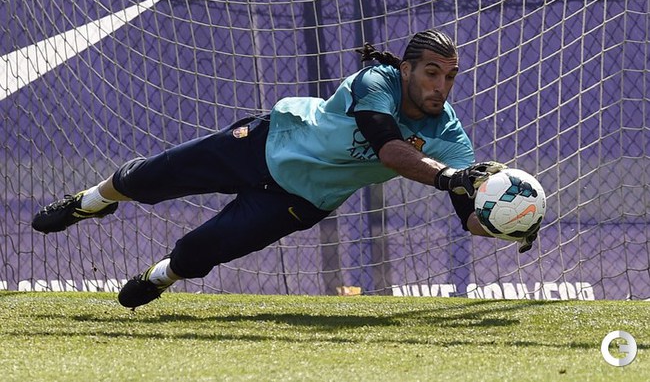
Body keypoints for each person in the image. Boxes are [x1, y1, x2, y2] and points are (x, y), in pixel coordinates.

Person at [31, 28, 537, 309]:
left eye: (450, 77)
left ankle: (159, 276)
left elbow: (467, 214)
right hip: (267, 143)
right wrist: (450, 176)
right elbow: (388, 149)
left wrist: (508, 222)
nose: (441, 86)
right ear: (405, 69)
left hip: (300, 200)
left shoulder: (449, 134)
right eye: (431, 73)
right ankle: (90, 203)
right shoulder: (376, 81)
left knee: (200, 251)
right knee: (144, 180)